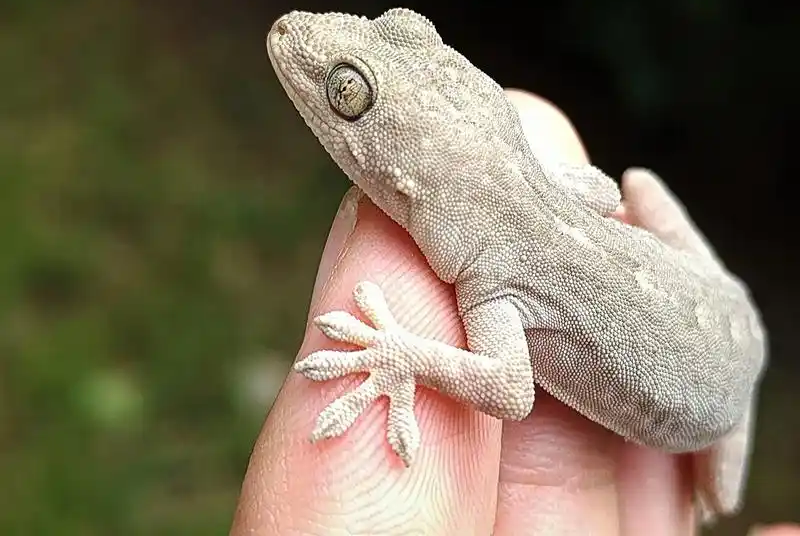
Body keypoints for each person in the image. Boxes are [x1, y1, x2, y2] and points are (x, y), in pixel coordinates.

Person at [230, 90, 797, 536]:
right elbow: (604, 193)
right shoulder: (506, 252)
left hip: (722, 399)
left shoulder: (494, 278)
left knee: (720, 497)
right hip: (724, 301)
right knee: (639, 186)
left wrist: (401, 354)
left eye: (348, 95)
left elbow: (509, 389)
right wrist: (531, 187)